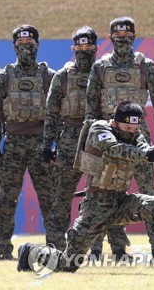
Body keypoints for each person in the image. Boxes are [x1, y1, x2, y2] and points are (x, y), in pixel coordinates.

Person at [17, 101, 154, 275]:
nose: (131, 132)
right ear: (115, 123)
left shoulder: (136, 136)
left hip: (122, 201)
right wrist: (146, 153)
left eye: (135, 128)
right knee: (68, 264)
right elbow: (113, 148)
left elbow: (141, 149)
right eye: (127, 128)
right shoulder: (99, 129)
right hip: (96, 206)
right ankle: (30, 251)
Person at [85, 16, 154, 261]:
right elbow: (91, 110)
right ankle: (94, 250)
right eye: (118, 37)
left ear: (133, 37)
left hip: (138, 140)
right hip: (108, 141)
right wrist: (90, 144)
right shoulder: (100, 67)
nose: (122, 41)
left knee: (150, 194)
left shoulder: (147, 66)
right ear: (111, 38)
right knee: (101, 194)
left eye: (126, 37)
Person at [0, 25, 54, 260]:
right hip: (13, 145)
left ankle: (56, 246)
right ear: (15, 47)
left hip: (40, 144)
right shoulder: (3, 77)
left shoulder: (48, 76)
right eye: (21, 45)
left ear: (37, 46)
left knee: (49, 198)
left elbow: (57, 116)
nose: (26, 49)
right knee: (6, 198)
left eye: (30, 45)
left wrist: (52, 147)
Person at [43, 26, 98, 251]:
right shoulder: (63, 76)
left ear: (96, 47)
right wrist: (48, 145)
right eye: (80, 46)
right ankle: (55, 246)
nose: (84, 51)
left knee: (102, 195)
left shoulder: (104, 72)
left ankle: (98, 248)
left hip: (97, 140)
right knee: (61, 196)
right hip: (69, 140)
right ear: (73, 48)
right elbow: (51, 112)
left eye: (89, 46)